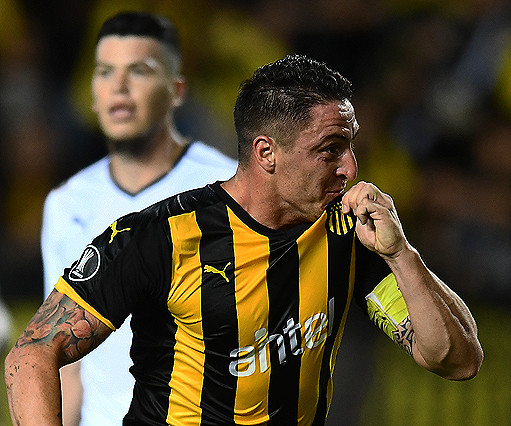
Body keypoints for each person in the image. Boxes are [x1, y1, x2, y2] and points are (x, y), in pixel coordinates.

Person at [6, 54, 482, 425]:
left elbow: (456, 360)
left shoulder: (346, 232)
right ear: (267, 153)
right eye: (330, 150)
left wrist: (400, 253)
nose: (351, 168)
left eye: (351, 146)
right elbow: (32, 354)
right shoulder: (161, 237)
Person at [38, 12, 237, 426]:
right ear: (92, 94)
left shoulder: (229, 189)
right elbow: (67, 362)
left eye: (139, 71)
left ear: (177, 91)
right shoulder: (67, 204)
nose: (119, 86)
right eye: (105, 72)